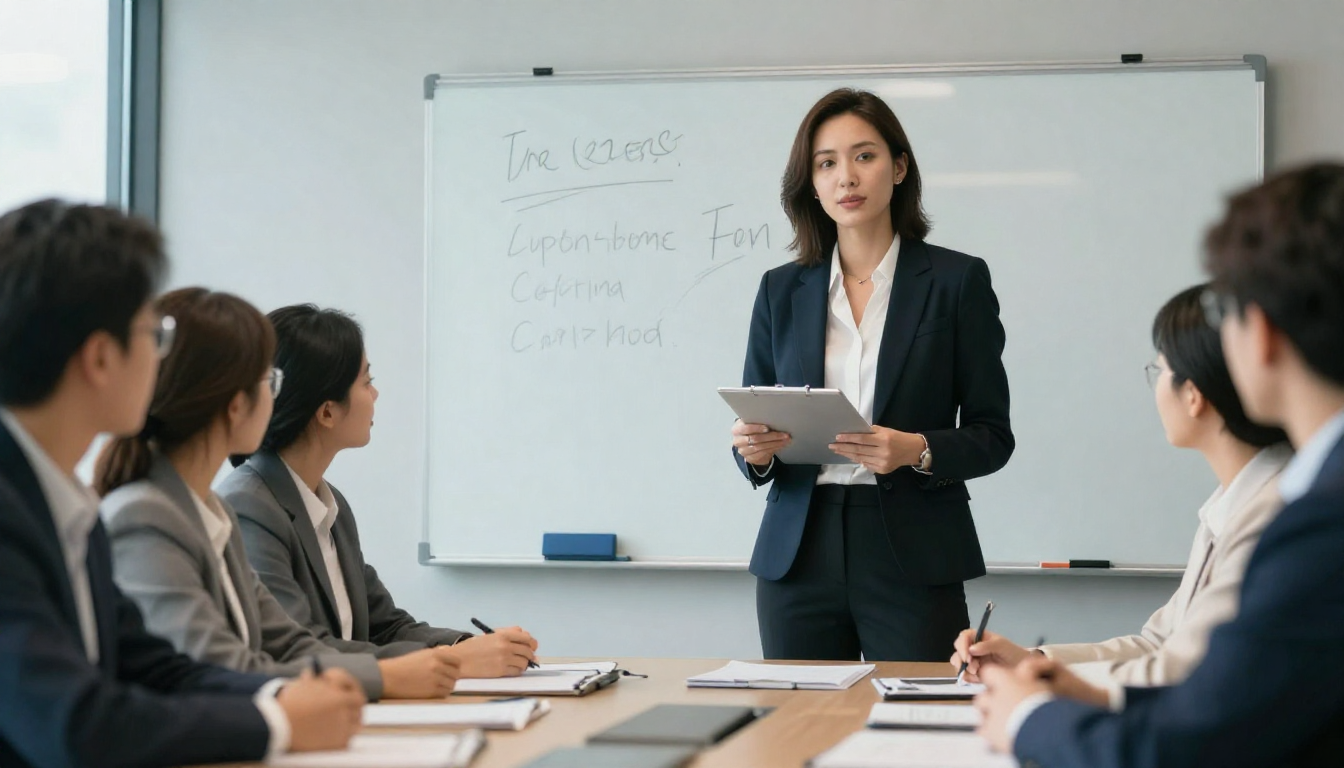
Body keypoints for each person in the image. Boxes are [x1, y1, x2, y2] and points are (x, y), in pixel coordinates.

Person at [975, 162, 1344, 767]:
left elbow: (1199, 731)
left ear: (1265, 334)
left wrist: (1028, 717)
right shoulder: (1300, 496)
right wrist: (1045, 672)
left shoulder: (1316, 518)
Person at [0, 200, 363, 768]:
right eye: (155, 334)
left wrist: (283, 697)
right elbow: (78, 723)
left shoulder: (64, 505)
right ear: (100, 358)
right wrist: (275, 721)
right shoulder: (22, 512)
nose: (162, 357)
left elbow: (155, 667)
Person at [730, 88, 1014, 661]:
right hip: (797, 555)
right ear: (811, 183)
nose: (846, 178)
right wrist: (752, 451)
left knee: (922, 731)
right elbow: (753, 420)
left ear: (900, 167)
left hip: (912, 552)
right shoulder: (779, 290)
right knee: (797, 735)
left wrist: (916, 449)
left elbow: (993, 435)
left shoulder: (957, 282)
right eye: (827, 163)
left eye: (865, 156)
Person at [98, 288, 461, 702]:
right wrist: (389, 676)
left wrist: (435, 658)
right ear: (236, 405)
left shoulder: (213, 512)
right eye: (269, 383)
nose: (276, 399)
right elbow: (219, 666)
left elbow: (292, 644)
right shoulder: (149, 517)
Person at [950, 284, 1291, 690]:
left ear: (1194, 395)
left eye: (1160, 369)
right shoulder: (1231, 502)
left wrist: (1043, 683)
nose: (1156, 387)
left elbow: (1184, 672)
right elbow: (1158, 644)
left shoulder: (1274, 513)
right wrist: (1032, 661)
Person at [219, 304, 538, 676]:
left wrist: (466, 646)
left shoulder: (330, 504)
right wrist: (454, 663)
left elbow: (385, 626)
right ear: (326, 412)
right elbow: (297, 648)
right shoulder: (250, 507)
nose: (376, 394)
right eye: (366, 382)